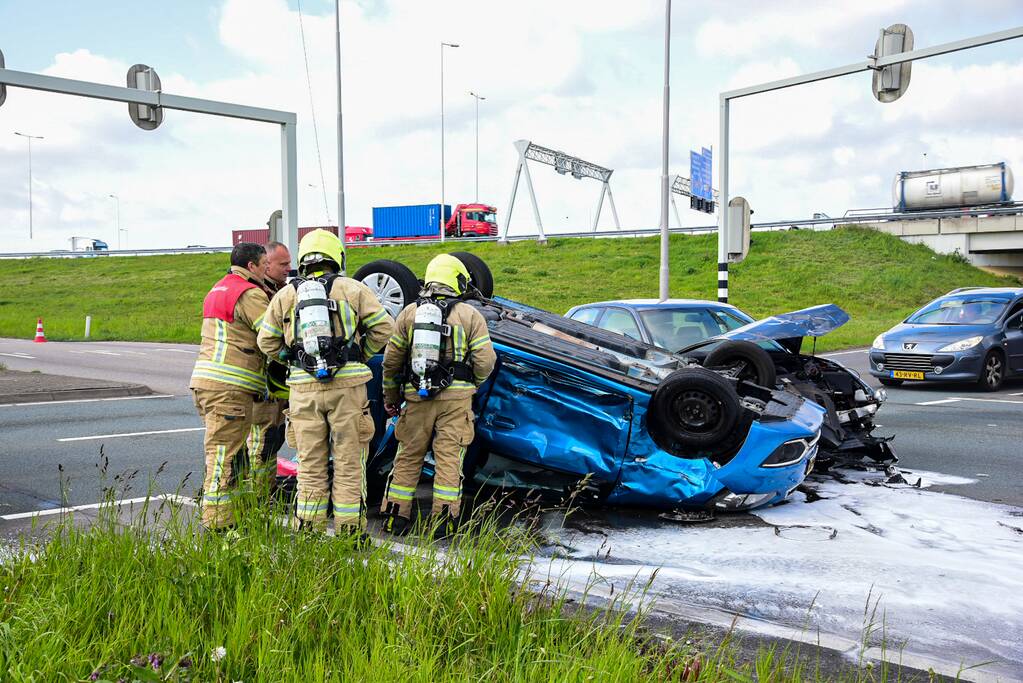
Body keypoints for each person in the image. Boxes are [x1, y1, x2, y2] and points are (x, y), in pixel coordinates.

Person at [257, 229, 393, 535]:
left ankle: (308, 529)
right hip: (348, 389)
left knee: (310, 464)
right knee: (348, 462)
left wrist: (294, 359)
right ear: (336, 257)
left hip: (303, 390)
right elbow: (385, 327)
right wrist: (357, 354)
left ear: (303, 260)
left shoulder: (286, 294)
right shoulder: (353, 289)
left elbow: (266, 340)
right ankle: (349, 531)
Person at [380, 254, 497, 537]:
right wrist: (473, 384)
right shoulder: (470, 315)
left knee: (408, 458)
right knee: (448, 460)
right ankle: (444, 522)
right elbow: (486, 360)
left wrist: (392, 397)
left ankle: (396, 518)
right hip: (456, 401)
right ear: (456, 280)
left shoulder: (409, 313)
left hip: (417, 397)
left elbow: (391, 362)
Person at [189, 242, 270, 530]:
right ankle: (218, 527)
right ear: (251, 266)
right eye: (264, 265)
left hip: (205, 384)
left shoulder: (218, 289)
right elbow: (272, 335)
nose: (267, 270)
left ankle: (234, 514)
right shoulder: (249, 293)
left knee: (232, 457)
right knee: (223, 456)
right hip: (229, 390)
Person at [246, 241, 292, 488]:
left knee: (273, 438)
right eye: (283, 264)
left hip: (277, 382)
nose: (288, 268)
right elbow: (269, 336)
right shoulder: (258, 295)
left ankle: (265, 488)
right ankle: (258, 493)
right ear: (266, 266)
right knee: (264, 439)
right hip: (264, 382)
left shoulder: (279, 291)